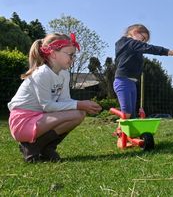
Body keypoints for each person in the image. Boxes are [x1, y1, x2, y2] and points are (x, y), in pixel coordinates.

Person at [8, 33, 102, 163]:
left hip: (40, 118)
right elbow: (48, 106)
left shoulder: (64, 74)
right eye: (70, 55)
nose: (73, 59)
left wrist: (83, 106)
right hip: (23, 123)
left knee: (79, 114)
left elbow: (65, 101)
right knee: (77, 110)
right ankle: (32, 147)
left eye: (74, 55)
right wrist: (79, 104)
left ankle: (46, 147)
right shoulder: (42, 74)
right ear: (53, 54)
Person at [114, 24, 173, 119]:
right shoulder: (130, 43)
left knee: (132, 114)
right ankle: (120, 132)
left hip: (131, 82)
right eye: (143, 39)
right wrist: (170, 52)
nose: (143, 42)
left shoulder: (128, 46)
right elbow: (150, 48)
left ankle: (128, 132)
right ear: (135, 32)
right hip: (122, 81)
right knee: (126, 113)